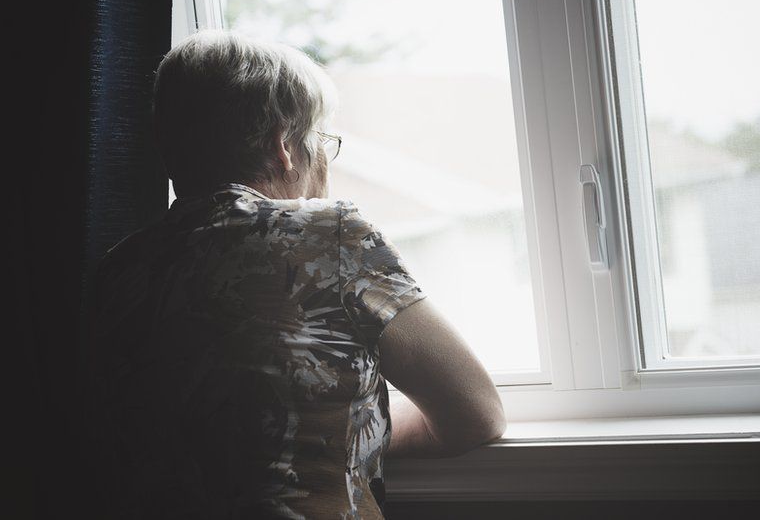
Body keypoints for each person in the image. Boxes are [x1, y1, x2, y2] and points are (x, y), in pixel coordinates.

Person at [90, 29, 506, 519]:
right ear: (284, 145)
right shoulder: (330, 236)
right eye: (322, 141)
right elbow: (476, 414)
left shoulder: (115, 271)